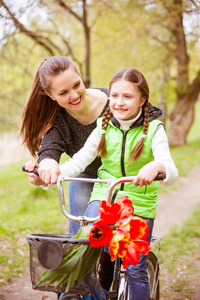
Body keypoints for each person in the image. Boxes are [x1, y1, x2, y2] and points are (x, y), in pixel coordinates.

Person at [25, 68, 178, 299]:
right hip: (104, 199)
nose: (119, 102)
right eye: (115, 96)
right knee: (83, 248)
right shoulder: (103, 127)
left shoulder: (154, 130)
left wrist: (157, 167)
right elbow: (78, 162)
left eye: (127, 97)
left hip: (139, 202)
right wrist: (49, 174)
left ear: (142, 99)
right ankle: (95, 290)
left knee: (135, 267)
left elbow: (171, 169)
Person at [21, 55, 109, 235]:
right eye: (63, 93)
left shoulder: (115, 103)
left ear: (81, 77)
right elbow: (49, 151)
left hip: (121, 175)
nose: (74, 95)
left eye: (77, 85)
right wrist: (46, 168)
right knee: (79, 235)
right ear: (51, 96)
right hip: (87, 175)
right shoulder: (59, 121)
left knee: (113, 236)